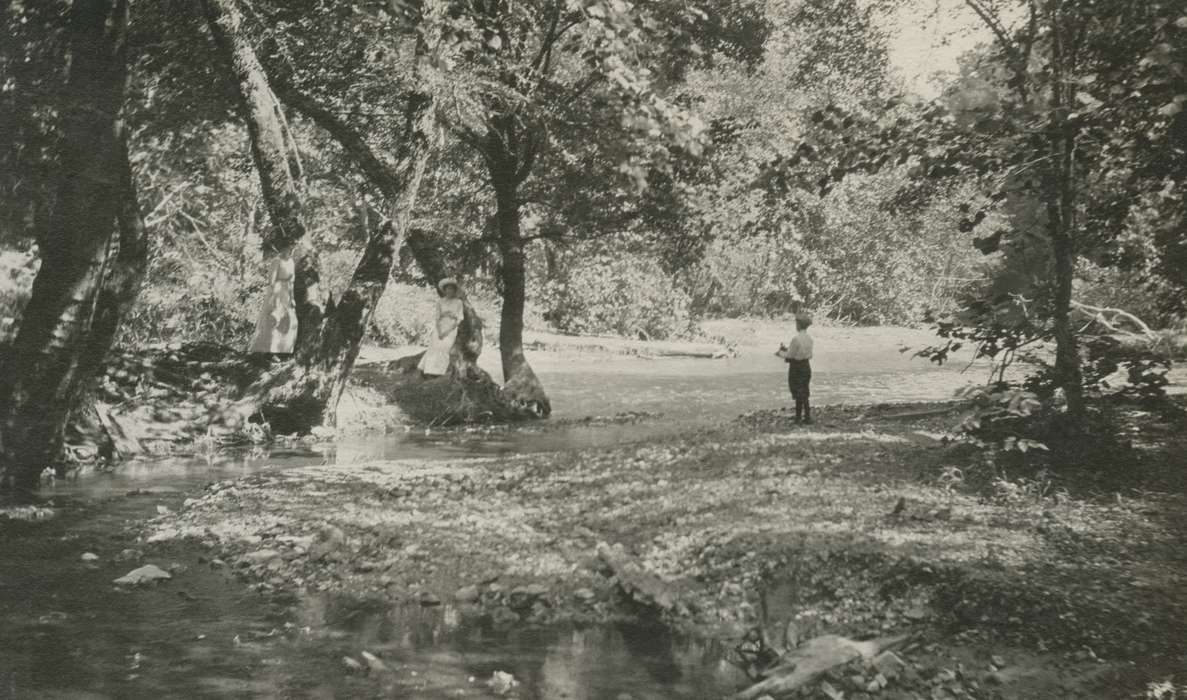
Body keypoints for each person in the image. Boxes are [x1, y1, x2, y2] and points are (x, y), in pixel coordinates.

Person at [248, 247, 297, 355]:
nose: (291, 251)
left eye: (293, 249)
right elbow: (272, 281)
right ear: (283, 248)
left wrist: (292, 298)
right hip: (276, 292)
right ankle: (268, 350)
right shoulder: (276, 261)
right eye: (289, 248)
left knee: (289, 321)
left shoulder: (291, 262)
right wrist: (274, 298)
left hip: (287, 293)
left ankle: (283, 350)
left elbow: (291, 282)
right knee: (273, 320)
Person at [418, 277, 464, 377]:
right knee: (434, 347)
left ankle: (439, 372)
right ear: (444, 290)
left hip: (451, 327)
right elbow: (437, 317)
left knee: (444, 348)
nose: (449, 291)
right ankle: (429, 370)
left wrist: (448, 330)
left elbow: (460, 318)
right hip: (440, 326)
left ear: (455, 290)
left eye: (452, 289)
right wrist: (439, 331)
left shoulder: (458, 302)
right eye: (448, 289)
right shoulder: (440, 301)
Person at [781, 313, 814, 424]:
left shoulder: (796, 338)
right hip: (806, 366)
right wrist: (788, 350)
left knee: (797, 391)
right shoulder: (809, 338)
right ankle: (807, 416)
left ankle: (798, 417)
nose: (796, 325)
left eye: (796, 323)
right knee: (805, 391)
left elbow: (790, 355)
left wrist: (781, 352)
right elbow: (804, 352)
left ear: (799, 325)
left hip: (796, 367)